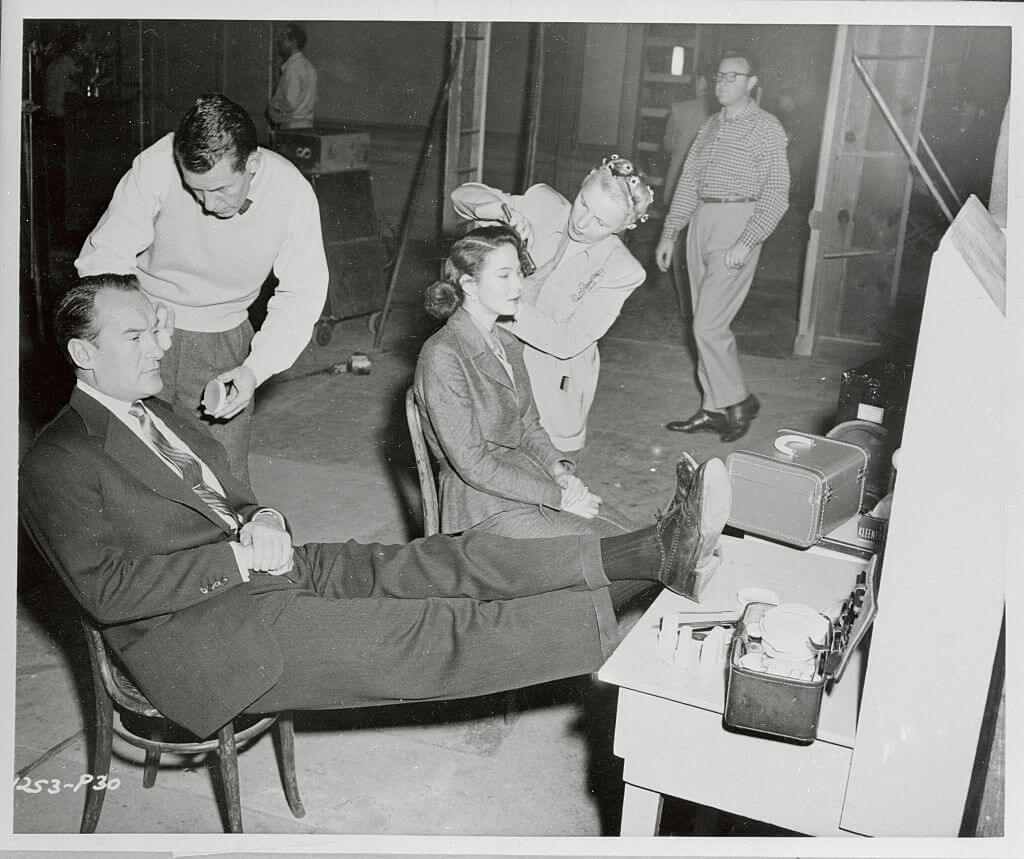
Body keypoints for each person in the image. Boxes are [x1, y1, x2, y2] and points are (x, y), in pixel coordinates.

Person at [18, 273, 732, 740]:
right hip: (205, 639)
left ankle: (646, 551)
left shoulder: (155, 412)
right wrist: (234, 557)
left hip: (266, 574)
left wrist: (261, 519)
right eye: (136, 336)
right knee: (425, 631)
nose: (159, 346)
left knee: (446, 561)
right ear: (83, 353)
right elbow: (107, 592)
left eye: (155, 328)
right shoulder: (58, 459)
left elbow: (231, 499)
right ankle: (631, 615)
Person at [75, 93, 329, 487]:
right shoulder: (158, 164)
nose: (208, 205)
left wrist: (255, 370)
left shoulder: (291, 192)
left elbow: (302, 293)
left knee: (222, 479)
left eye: (221, 189)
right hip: (144, 328)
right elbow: (102, 257)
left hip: (222, 340)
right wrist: (136, 317)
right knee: (129, 473)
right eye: (196, 190)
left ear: (252, 164)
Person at [414, 226, 645, 540]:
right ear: (469, 285)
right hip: (478, 505)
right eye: (504, 275)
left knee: (633, 536)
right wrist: (557, 497)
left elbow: (528, 424)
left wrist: (558, 471)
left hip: (526, 478)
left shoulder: (506, 342)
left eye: (519, 273)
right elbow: (473, 466)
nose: (518, 285)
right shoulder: (443, 355)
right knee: (605, 547)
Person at [450, 156, 654, 469]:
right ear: (583, 183)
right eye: (583, 203)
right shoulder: (543, 203)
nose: (581, 222)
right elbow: (461, 195)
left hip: (553, 390)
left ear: (623, 227)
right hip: (491, 367)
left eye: (601, 223)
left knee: (548, 480)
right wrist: (501, 210)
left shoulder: (622, 270)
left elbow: (568, 340)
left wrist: (500, 299)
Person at [655, 50, 790, 443]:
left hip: (738, 221)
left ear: (752, 83)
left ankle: (740, 400)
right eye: (719, 75)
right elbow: (688, 183)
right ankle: (713, 408)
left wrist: (748, 240)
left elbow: (777, 192)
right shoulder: (710, 125)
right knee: (701, 321)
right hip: (702, 220)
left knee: (708, 324)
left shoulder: (766, 127)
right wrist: (670, 233)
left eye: (733, 76)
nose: (722, 82)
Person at [661, 74, 710, 320]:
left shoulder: (679, 110)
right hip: (709, 192)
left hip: (679, 185)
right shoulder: (723, 113)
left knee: (680, 252)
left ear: (699, 82)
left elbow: (668, 145)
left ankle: (686, 307)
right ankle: (704, 307)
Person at [39, 28, 91, 249]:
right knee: (66, 181)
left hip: (56, 126)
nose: (88, 49)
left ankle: (62, 232)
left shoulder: (60, 65)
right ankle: (64, 234)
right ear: (76, 45)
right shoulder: (65, 66)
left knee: (62, 181)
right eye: (86, 44)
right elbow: (66, 101)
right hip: (60, 127)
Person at [266, 23, 317, 131]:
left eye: (283, 39)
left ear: (293, 42)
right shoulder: (309, 66)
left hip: (291, 128)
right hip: (306, 126)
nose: (279, 43)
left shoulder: (293, 68)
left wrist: (272, 106)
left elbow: (290, 102)